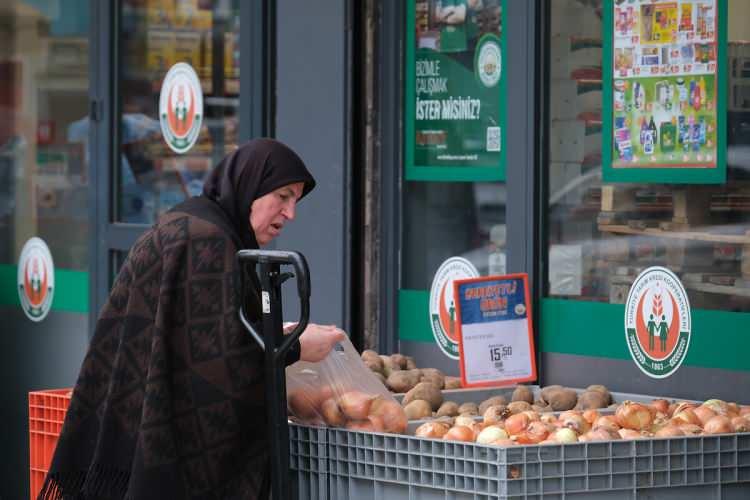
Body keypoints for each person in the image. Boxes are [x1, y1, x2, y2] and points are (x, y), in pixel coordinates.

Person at [40, 138, 346, 499]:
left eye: (296, 200)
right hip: (164, 452)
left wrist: (268, 333)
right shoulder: (210, 242)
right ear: (250, 185)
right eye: (282, 196)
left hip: (130, 431)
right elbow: (216, 363)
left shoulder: (190, 221)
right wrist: (293, 348)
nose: (291, 212)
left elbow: (190, 333)